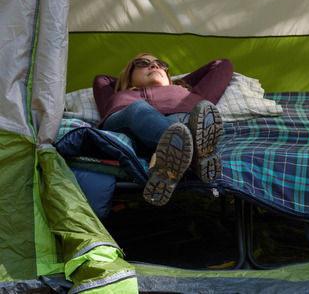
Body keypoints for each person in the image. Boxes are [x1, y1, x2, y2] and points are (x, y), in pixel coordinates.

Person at [93, 54, 233, 206]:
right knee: (139, 108)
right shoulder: (117, 95)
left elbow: (221, 64)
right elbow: (101, 79)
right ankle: (196, 158)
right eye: (142, 63)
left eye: (160, 64)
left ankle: (162, 167)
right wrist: (129, 83)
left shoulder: (190, 92)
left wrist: (176, 83)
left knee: (189, 120)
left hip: (180, 124)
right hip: (127, 126)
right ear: (129, 73)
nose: (154, 66)